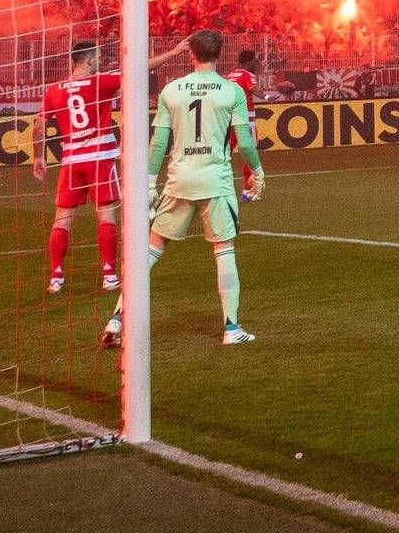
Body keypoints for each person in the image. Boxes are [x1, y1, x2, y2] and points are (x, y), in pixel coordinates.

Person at [109, 29, 261, 348]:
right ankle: (231, 327)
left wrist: (150, 183)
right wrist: (257, 171)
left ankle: (117, 317)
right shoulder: (230, 90)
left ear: (191, 54)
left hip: (179, 179)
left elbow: (159, 142)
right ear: (219, 54)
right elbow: (244, 141)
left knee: (150, 251)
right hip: (215, 180)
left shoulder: (172, 90)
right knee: (224, 250)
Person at [39, 38, 124, 294]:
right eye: (97, 57)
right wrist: (175, 52)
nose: (99, 61)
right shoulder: (102, 82)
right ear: (88, 60)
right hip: (99, 159)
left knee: (62, 221)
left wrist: (38, 156)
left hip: (71, 162)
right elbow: (140, 69)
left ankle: (56, 277)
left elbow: (38, 124)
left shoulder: (54, 90)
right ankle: (109, 275)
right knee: (106, 217)